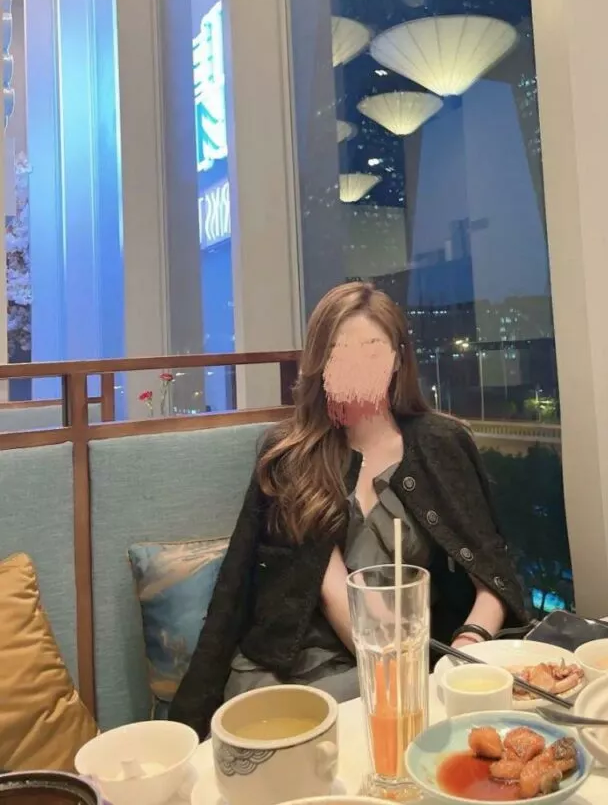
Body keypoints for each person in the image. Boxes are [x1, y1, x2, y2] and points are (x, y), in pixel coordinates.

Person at [170, 282, 530, 738]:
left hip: (408, 662)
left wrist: (468, 643)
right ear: (320, 363)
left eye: (373, 349)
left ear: (398, 359)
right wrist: (187, 725)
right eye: (341, 352)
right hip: (296, 670)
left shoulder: (442, 444)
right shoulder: (292, 454)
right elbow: (260, 590)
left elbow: (493, 573)